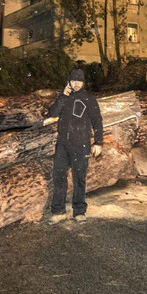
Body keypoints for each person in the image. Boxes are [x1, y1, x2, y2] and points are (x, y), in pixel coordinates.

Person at [47, 68, 103, 223]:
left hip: (81, 144)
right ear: (69, 81)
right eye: (73, 80)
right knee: (59, 177)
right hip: (63, 145)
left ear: (83, 82)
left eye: (79, 81)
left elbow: (97, 120)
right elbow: (52, 113)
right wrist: (63, 96)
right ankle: (58, 211)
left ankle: (79, 211)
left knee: (79, 179)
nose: (76, 84)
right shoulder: (64, 97)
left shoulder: (89, 98)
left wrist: (98, 142)